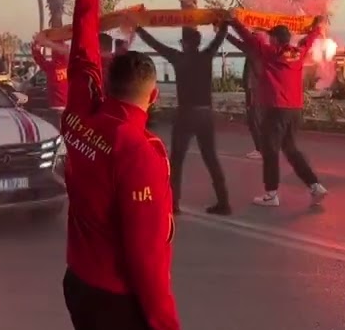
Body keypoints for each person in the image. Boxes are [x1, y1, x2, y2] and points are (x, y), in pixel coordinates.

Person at [62, 0, 180, 330]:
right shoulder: (138, 151)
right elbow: (144, 254)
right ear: (153, 95)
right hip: (116, 300)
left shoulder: (79, 113)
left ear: (108, 87)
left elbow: (81, 58)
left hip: (79, 282)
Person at [228, 16, 329, 208]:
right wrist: (317, 27)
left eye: (270, 38)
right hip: (294, 110)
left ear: (274, 39)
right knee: (290, 149)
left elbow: (249, 39)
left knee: (270, 150)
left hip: (275, 109)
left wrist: (233, 22)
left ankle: (271, 193)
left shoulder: (270, 52)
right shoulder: (299, 52)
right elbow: (310, 39)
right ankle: (315, 186)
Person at [135, 22, 232, 215]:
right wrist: (224, 23)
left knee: (177, 160)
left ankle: (173, 204)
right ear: (197, 42)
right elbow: (219, 38)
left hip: (186, 113)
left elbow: (154, 44)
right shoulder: (206, 55)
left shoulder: (177, 57)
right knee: (211, 158)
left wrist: (138, 27)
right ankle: (224, 202)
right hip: (205, 113)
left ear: (184, 43)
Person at [227, 31, 265, 159]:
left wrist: (224, 33)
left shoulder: (254, 50)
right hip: (260, 89)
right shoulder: (264, 50)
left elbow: (239, 43)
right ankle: (263, 148)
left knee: (254, 119)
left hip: (253, 90)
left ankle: (260, 149)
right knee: (258, 120)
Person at [30, 33, 69, 124]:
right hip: (65, 109)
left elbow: (39, 59)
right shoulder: (69, 63)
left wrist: (36, 49)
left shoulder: (51, 66)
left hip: (57, 108)